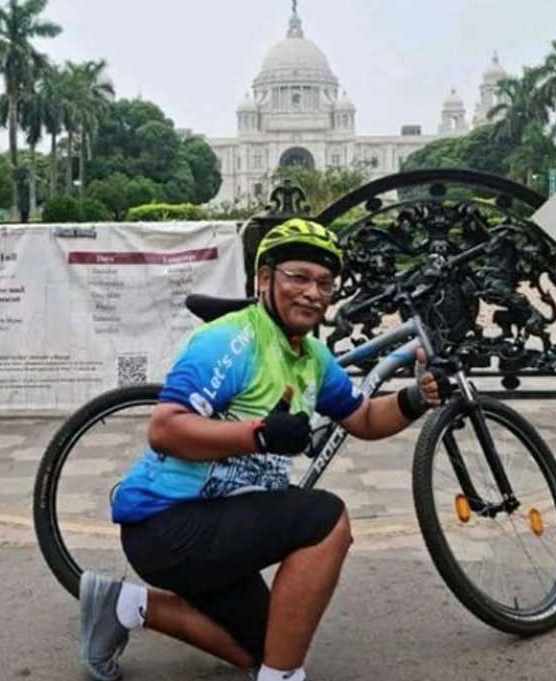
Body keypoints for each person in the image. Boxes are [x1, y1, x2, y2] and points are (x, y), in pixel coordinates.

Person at [79, 219, 443, 681]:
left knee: (264, 644)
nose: (313, 292)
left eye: (325, 283)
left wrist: (416, 399)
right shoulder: (232, 341)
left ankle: (122, 605)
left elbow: (365, 419)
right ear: (265, 279)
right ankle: (283, 678)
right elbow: (165, 430)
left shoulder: (313, 358)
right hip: (168, 524)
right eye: (299, 277)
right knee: (325, 518)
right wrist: (261, 435)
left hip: (221, 523)